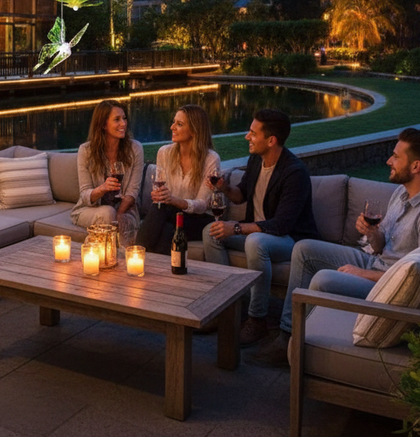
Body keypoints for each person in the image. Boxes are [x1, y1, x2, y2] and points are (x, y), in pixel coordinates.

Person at [255, 127, 420, 367]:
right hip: (376, 262)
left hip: (386, 284)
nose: (389, 160)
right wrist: (372, 233)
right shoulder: (402, 193)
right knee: (304, 250)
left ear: (416, 166)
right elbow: (381, 244)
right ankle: (287, 333)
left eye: (396, 156)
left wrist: (363, 274)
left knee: (324, 280)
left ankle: (299, 345)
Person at [202, 109, 318, 347]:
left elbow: (281, 224)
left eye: (253, 133)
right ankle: (225, 307)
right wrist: (224, 188)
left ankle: (257, 319)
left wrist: (236, 228)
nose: (247, 137)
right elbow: (241, 194)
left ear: (271, 140)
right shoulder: (256, 160)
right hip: (258, 233)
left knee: (256, 241)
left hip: (289, 240)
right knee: (210, 233)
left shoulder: (294, 172)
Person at [137, 104, 220, 254]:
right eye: (174, 122)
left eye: (179, 124)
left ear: (194, 131)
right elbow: (160, 195)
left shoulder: (210, 159)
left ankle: (136, 255)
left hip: (198, 219)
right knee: (167, 225)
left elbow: (202, 205)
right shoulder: (164, 153)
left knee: (162, 212)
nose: (172, 127)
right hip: (170, 217)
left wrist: (173, 200)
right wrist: (159, 196)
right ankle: (157, 271)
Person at [71, 99, 145, 229]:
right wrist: (102, 188)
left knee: (117, 219)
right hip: (92, 210)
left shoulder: (135, 149)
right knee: (107, 213)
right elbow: (85, 194)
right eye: (117, 119)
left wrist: (118, 216)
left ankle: (96, 247)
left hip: (125, 210)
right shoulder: (86, 151)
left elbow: (132, 193)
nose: (123, 124)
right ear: (103, 125)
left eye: (124, 118)